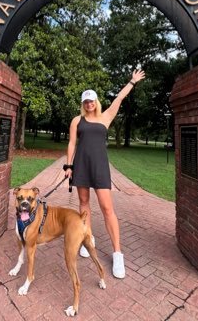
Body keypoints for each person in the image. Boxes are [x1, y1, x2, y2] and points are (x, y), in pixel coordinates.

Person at [64, 69, 146, 279]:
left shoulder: (106, 116)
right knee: (83, 204)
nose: (89, 104)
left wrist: (132, 82)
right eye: (86, 101)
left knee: (107, 208)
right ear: (83, 104)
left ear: (96, 101)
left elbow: (119, 97)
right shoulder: (77, 121)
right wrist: (68, 166)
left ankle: (117, 253)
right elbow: (72, 143)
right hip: (81, 165)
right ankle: (88, 238)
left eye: (91, 100)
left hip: (100, 166)